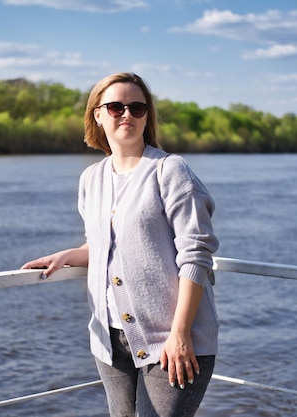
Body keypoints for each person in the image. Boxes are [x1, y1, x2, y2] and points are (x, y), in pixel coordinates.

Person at [21, 72, 219, 417]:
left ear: (147, 116)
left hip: (172, 341)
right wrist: (68, 256)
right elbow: (104, 246)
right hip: (109, 340)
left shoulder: (169, 170)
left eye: (137, 108)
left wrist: (181, 333)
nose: (127, 114)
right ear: (97, 115)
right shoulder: (91, 179)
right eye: (115, 107)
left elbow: (196, 257)